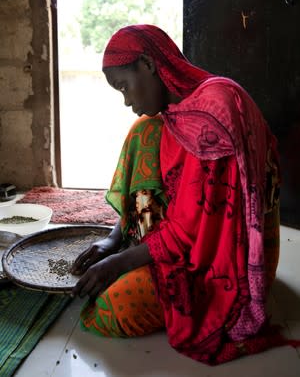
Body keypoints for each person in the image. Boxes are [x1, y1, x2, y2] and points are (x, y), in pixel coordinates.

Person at [71, 24, 285, 364]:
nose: (127, 101)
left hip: (228, 261)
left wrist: (118, 263)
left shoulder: (213, 114)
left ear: (148, 64)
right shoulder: (179, 112)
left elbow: (186, 232)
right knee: (143, 129)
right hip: (188, 233)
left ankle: (144, 256)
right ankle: (140, 246)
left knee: (112, 308)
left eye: (125, 86)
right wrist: (115, 238)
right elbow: (174, 204)